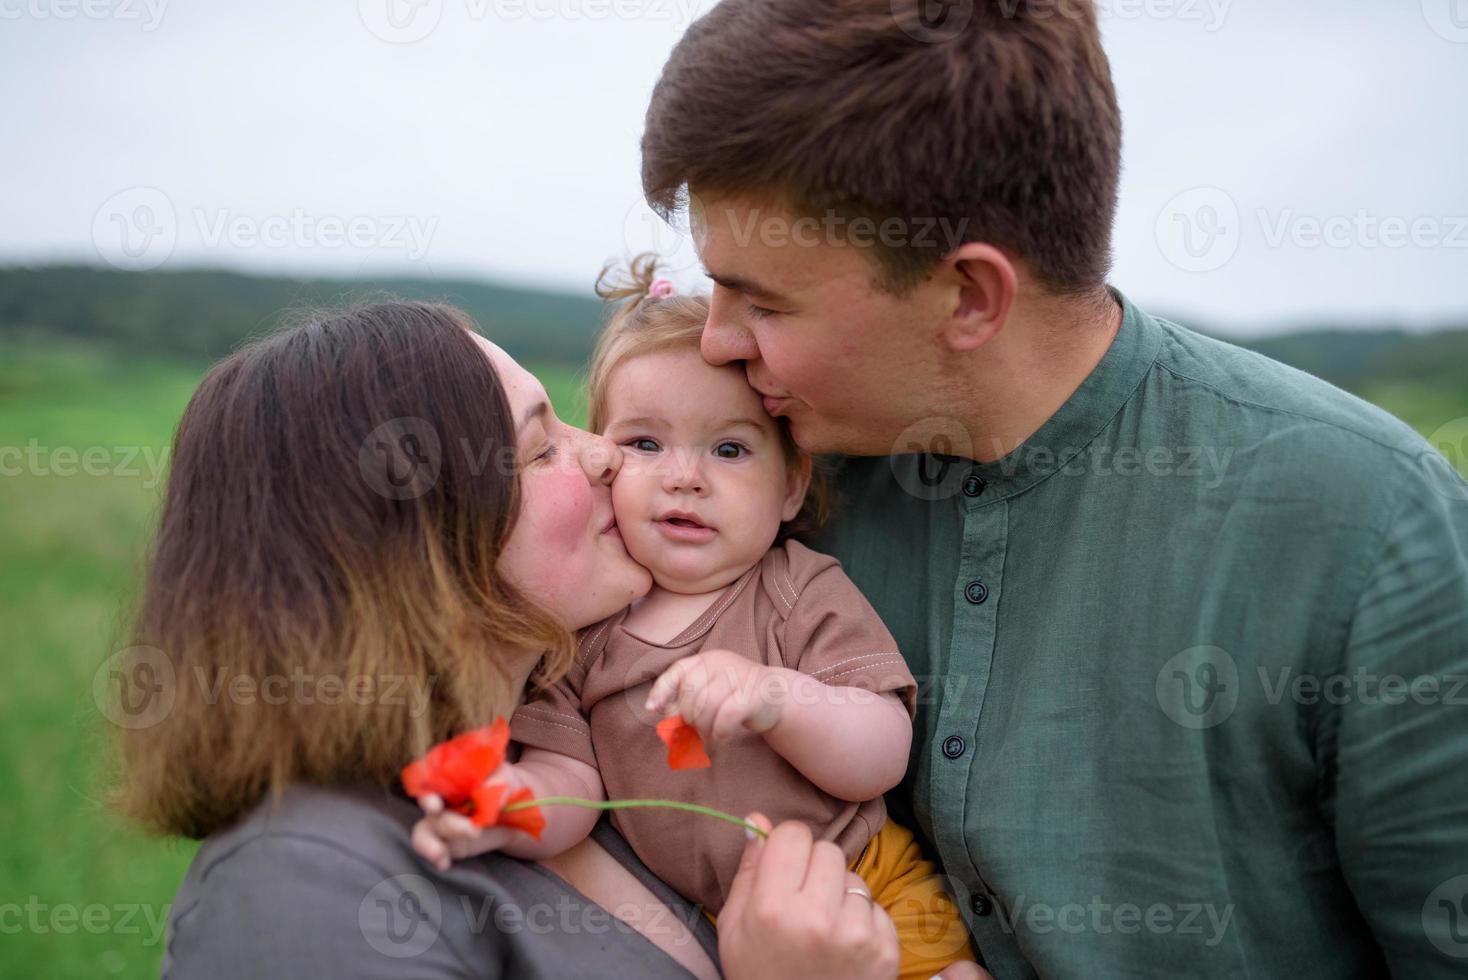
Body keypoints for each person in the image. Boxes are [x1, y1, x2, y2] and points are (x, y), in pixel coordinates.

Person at [638, 0, 1468, 976]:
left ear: (968, 295)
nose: (716, 341)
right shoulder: (766, 477)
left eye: (762, 300)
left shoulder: (1366, 524)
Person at [113, 302, 909, 979]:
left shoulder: (569, 748)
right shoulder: (301, 886)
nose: (604, 454)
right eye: (542, 447)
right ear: (415, 546)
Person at [411, 258, 981, 980]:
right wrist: (507, 806)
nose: (684, 475)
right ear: (604, 457)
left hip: (864, 882)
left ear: (790, 486)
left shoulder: (796, 588)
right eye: (645, 444)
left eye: (730, 449)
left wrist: (776, 699)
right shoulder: (586, 635)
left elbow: (882, 752)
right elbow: (571, 784)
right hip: (720, 923)